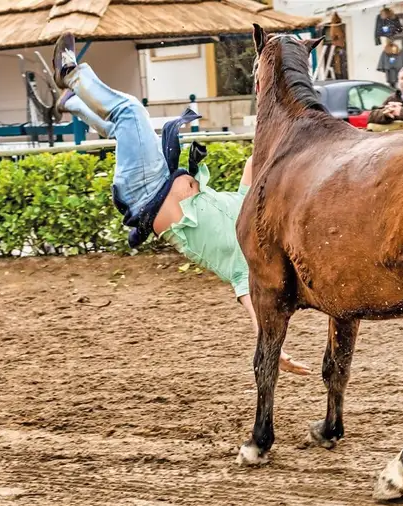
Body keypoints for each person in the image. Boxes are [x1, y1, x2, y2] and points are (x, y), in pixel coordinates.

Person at [49, 33, 311, 375]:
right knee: (124, 126)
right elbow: (254, 164)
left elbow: (255, 311)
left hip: (147, 193)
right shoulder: (250, 209)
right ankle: (71, 103)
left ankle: (70, 72)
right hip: (159, 178)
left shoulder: (245, 262)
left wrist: (273, 347)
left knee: (130, 112)